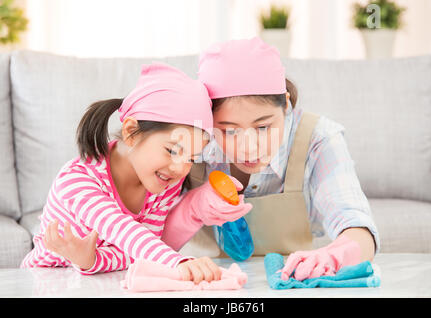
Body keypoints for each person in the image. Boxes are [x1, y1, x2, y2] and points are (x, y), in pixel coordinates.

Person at [161, 37, 380, 281]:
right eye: (229, 130)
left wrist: (336, 256)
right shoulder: (190, 140)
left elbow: (357, 225)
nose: (248, 148)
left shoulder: (318, 139)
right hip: (204, 283)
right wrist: (191, 208)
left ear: (285, 105)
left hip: (291, 281)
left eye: (263, 127)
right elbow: (150, 238)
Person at [20, 62, 250, 283]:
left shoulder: (165, 182)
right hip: (44, 280)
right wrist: (179, 263)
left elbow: (138, 253)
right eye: (172, 151)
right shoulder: (77, 181)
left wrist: (93, 260)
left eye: (191, 158)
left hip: (107, 281)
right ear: (131, 132)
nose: (181, 169)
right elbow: (124, 232)